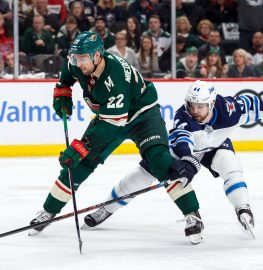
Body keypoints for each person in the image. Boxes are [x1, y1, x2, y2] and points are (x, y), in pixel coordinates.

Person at [28, 31, 200, 236]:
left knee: (160, 161)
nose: (77, 62)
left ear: (97, 56)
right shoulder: (79, 62)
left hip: (142, 117)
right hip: (111, 116)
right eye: (75, 57)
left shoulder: (115, 77)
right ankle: (49, 211)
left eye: (81, 58)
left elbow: (113, 124)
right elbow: (67, 72)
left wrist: (81, 146)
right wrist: (63, 90)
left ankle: (192, 214)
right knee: (79, 165)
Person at [83, 80, 263, 241]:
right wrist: (188, 163)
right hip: (185, 149)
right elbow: (182, 141)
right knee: (139, 177)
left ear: (211, 104)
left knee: (230, 165)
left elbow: (255, 104)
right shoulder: (184, 116)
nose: (194, 110)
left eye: (200, 106)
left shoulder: (230, 109)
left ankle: (243, 208)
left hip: (215, 146)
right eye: (191, 105)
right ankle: (107, 208)